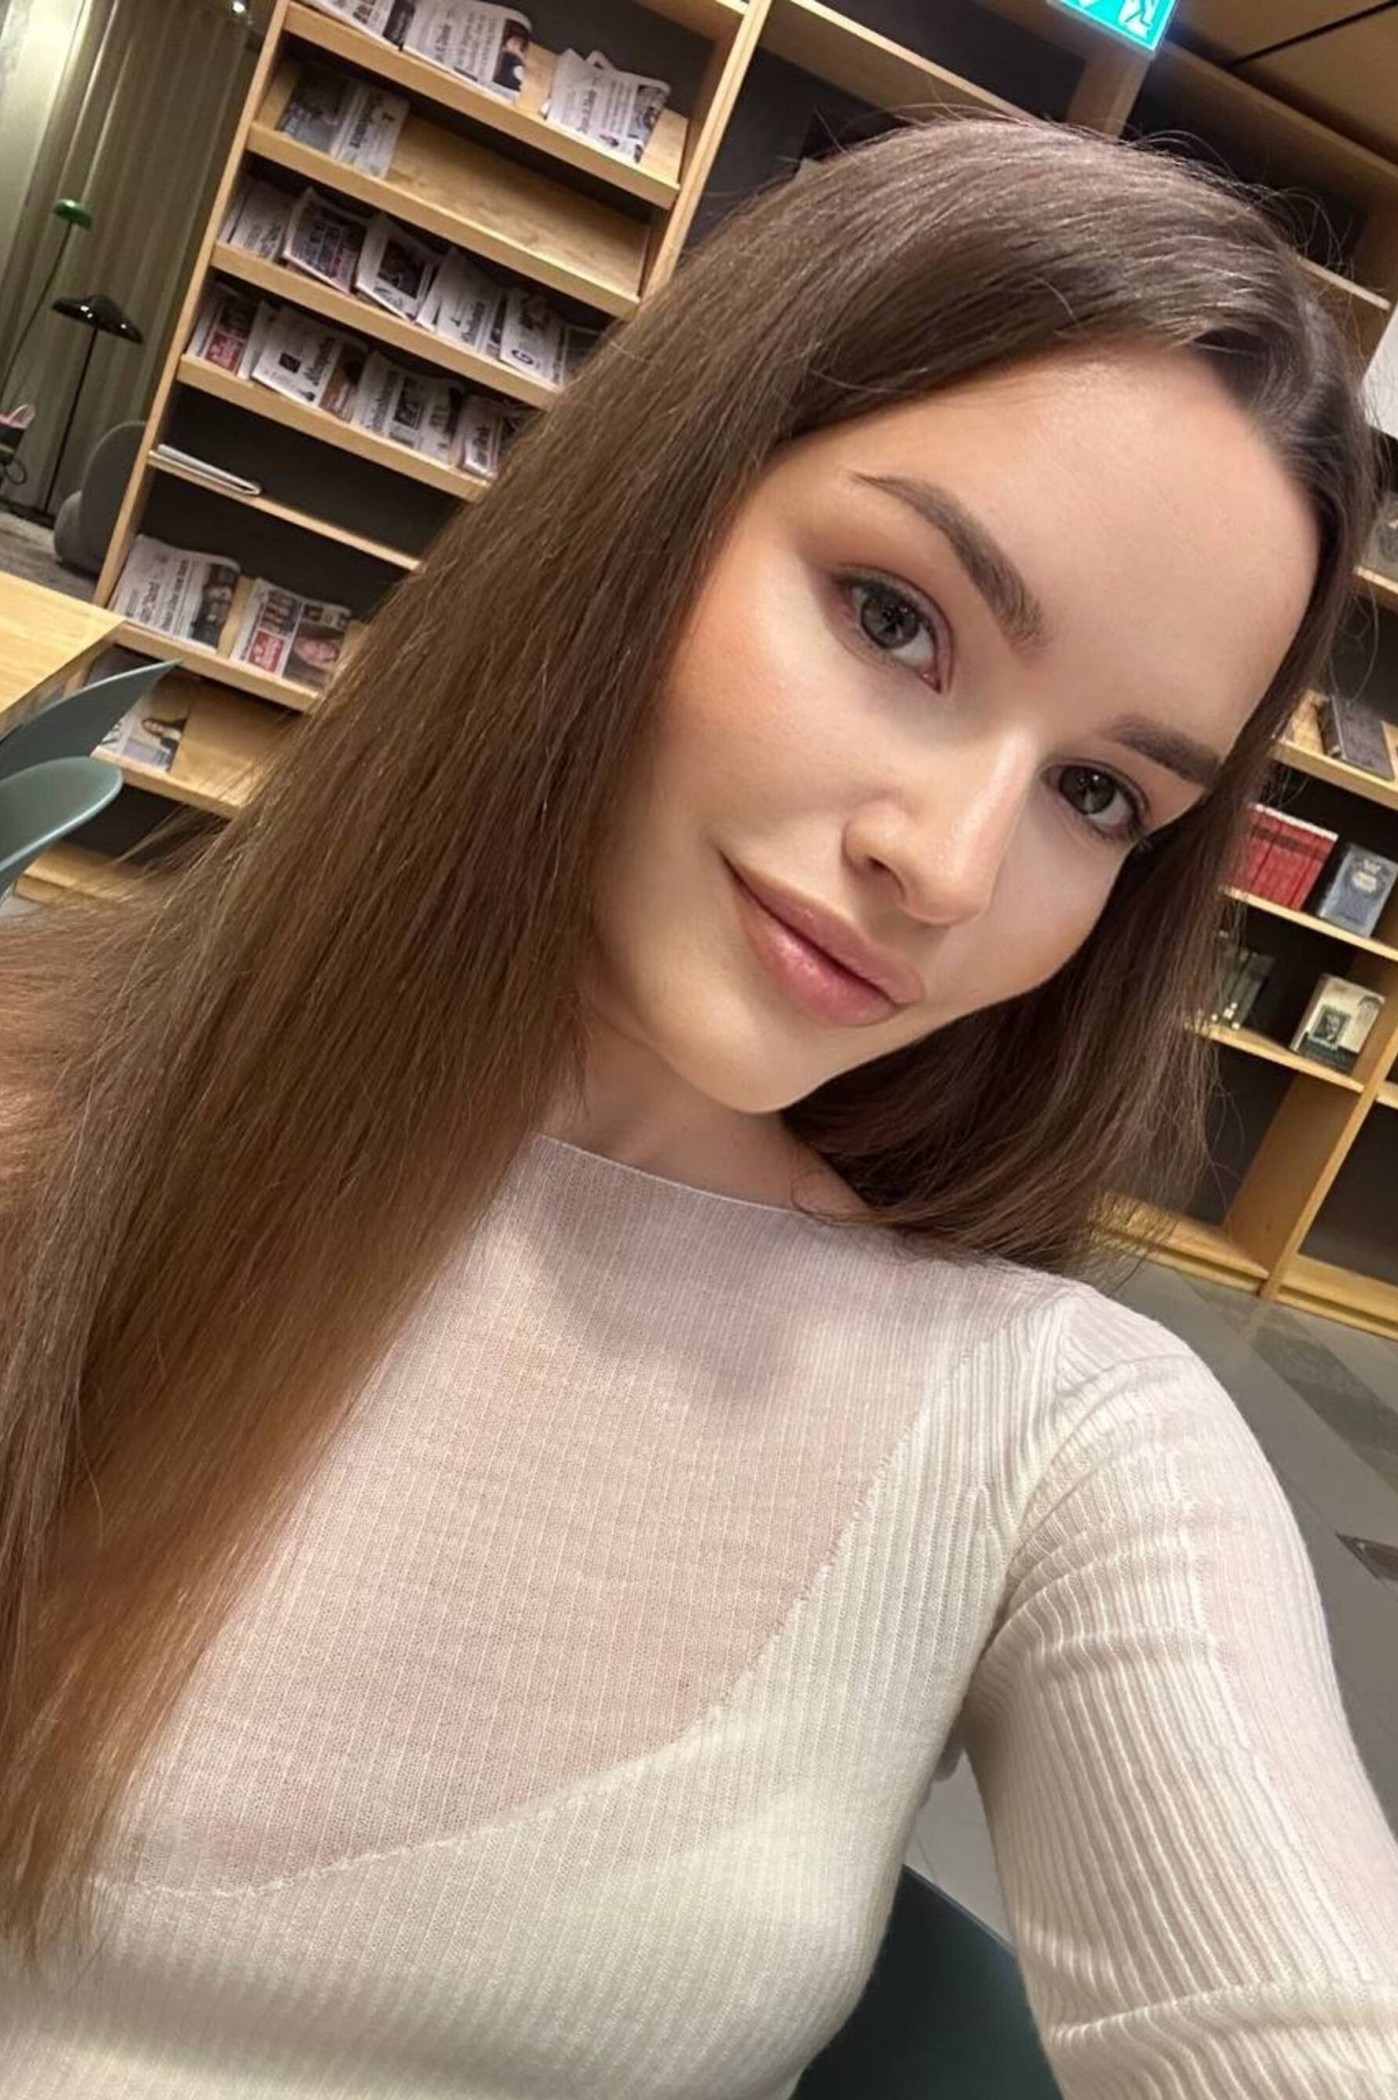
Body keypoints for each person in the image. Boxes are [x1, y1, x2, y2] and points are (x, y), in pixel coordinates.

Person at [0, 115, 1395, 2097]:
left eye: (1100, 794)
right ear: (647, 519)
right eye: (896, 619)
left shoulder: (1056, 1432)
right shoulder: (50, 1109)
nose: (948, 863)